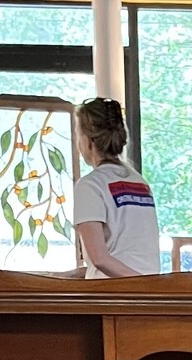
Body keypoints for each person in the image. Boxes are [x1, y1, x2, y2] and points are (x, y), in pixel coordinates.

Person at [69, 97, 161, 278]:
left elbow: (99, 258)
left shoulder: (90, 185)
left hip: (112, 295)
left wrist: (138, 285)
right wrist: (149, 287)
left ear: (88, 140)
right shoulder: (140, 183)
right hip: (150, 290)